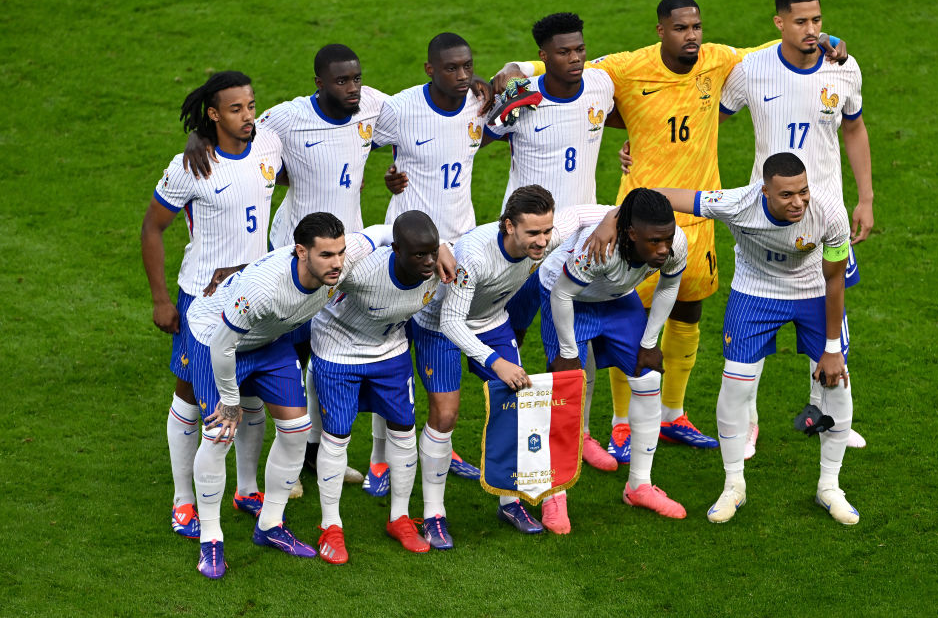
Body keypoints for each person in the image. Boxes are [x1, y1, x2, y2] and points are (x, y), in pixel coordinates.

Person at [497, 0, 830, 456]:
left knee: (689, 309)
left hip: (700, 215)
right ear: (660, 30)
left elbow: (772, 48)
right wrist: (517, 65)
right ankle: (618, 424)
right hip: (635, 223)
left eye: (696, 26)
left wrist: (826, 41)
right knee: (622, 320)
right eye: (680, 28)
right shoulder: (628, 67)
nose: (691, 35)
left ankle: (673, 413)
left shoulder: (716, 59)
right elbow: (571, 64)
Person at [183, 44, 387, 490]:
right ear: (319, 82)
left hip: (347, 255)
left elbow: (417, 121)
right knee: (288, 359)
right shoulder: (288, 118)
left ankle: (313, 452)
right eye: (340, 80)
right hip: (294, 258)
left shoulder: (371, 103)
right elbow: (238, 127)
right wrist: (199, 135)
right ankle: (282, 465)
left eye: (356, 78)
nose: (351, 87)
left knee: (326, 356)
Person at [653, 153, 858, 525]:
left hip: (813, 292)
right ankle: (734, 486)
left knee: (838, 387)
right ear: (764, 192)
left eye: (803, 191)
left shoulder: (829, 212)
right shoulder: (737, 203)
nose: (798, 202)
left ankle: (830, 486)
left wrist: (831, 349)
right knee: (734, 387)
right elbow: (674, 197)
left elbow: (835, 279)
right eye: (786, 195)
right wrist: (622, 208)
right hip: (755, 293)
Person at [719, 0, 873, 457]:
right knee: (756, 317)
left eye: (818, 20)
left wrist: (865, 198)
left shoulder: (843, 69)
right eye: (801, 21)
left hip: (825, 219)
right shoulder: (751, 71)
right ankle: (747, 422)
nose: (812, 30)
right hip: (767, 217)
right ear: (779, 23)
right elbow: (709, 124)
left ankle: (827, 413)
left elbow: (855, 128)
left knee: (829, 322)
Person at [409, 185, 616, 538]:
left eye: (547, 231)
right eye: (533, 232)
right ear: (508, 226)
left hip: (491, 320)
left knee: (515, 408)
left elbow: (585, 214)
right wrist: (496, 362)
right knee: (445, 415)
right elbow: (451, 321)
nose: (543, 241)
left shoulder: (546, 235)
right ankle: (433, 515)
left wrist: (609, 222)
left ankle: (510, 503)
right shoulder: (474, 257)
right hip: (439, 325)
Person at [184, 212, 365, 579]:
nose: (338, 264)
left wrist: (441, 248)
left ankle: (269, 525)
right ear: (301, 252)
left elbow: (377, 234)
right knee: (220, 433)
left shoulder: (340, 265)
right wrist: (231, 401)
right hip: (214, 339)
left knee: (297, 429)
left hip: (267, 339)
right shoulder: (265, 289)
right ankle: (211, 538)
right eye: (327, 255)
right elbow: (222, 346)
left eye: (341, 253)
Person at [141, 71, 282, 540]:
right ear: (214, 114)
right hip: (202, 300)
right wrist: (162, 300)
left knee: (254, 394)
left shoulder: (268, 144)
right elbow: (152, 229)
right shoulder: (190, 166)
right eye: (237, 109)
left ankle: (246, 488)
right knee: (193, 396)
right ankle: (184, 501)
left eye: (252, 105)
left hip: (257, 295)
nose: (249, 116)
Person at [485, 12, 619, 472]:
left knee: (575, 346)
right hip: (524, 247)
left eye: (579, 48)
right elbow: (473, 139)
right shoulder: (522, 99)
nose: (575, 58)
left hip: (580, 245)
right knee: (511, 343)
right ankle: (514, 436)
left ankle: (578, 435)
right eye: (564, 52)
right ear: (543, 57)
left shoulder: (601, 85)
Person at [370, 32, 490, 489]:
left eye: (467, 67)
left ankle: (443, 444)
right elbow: (354, 135)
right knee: (389, 350)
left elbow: (528, 90)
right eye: (451, 69)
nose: (461, 76)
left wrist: (500, 78)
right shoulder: (400, 109)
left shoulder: (480, 103)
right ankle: (381, 459)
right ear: (429, 69)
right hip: (407, 251)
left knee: (445, 344)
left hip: (459, 248)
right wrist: (387, 176)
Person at [310, 211, 453, 559]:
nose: (429, 261)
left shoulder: (440, 269)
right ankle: (331, 526)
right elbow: (306, 273)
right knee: (337, 436)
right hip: (338, 351)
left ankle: (400, 518)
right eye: (419, 254)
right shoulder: (359, 270)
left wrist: (445, 247)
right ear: (396, 250)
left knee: (404, 429)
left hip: (390, 351)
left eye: (432, 251)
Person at [541, 188, 689, 519]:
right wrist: (567, 352)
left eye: (667, 238)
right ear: (632, 234)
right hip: (568, 297)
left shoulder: (673, 243)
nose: (664, 248)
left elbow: (668, 286)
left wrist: (650, 342)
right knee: (567, 387)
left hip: (617, 298)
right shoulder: (596, 250)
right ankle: (555, 491)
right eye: (654, 241)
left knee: (649, 378)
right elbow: (563, 295)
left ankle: (639, 486)